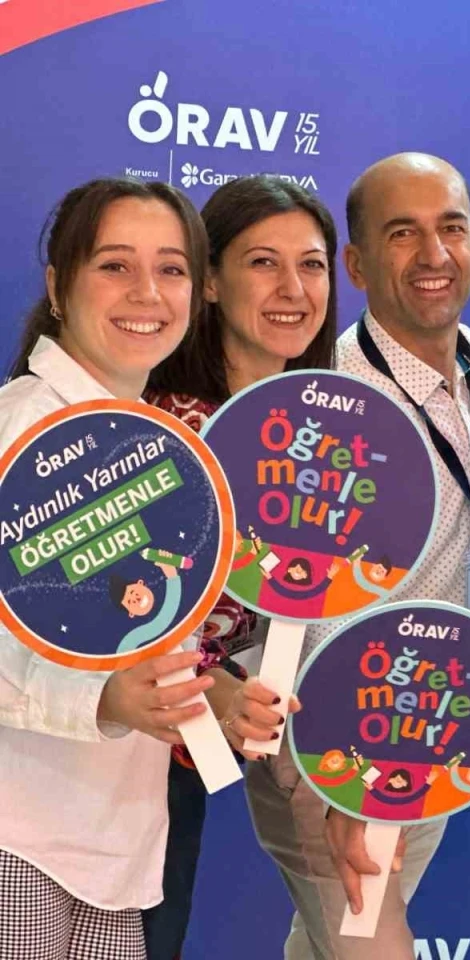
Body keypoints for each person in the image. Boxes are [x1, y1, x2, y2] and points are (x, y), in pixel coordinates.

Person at [244, 153, 470, 960]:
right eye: (402, 233)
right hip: (336, 744)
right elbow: (305, 593)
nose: (434, 254)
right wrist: (344, 776)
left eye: (451, 228)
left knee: (325, 946)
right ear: (355, 266)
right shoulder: (327, 393)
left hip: (428, 727)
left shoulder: (468, 357)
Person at [0, 177, 254, 960]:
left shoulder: (160, 445)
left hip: (117, 850)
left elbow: (144, 630)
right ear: (58, 286)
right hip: (18, 836)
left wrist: (219, 697)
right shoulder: (16, 430)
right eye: (115, 265)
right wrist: (102, 698)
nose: (147, 293)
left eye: (171, 269)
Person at [140, 174, 338, 960]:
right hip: (120, 745)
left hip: (196, 753)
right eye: (263, 262)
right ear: (211, 281)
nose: (293, 288)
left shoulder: (323, 430)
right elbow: (113, 605)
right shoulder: (164, 425)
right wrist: (210, 684)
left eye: (312, 265)